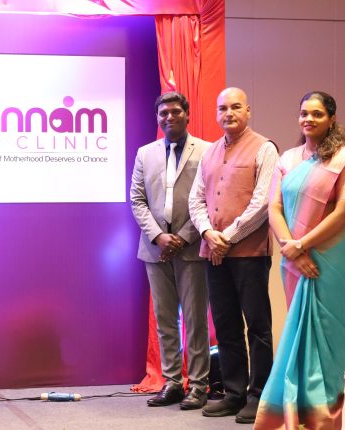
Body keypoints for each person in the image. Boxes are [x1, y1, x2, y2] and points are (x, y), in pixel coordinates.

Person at [254, 91, 345, 429]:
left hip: (331, 261)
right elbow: (274, 207)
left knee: (326, 340)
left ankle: (324, 420)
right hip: (293, 260)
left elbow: (344, 212)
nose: (309, 119)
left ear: (332, 119)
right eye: (304, 113)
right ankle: (295, 417)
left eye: (317, 114)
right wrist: (290, 247)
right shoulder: (288, 159)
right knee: (298, 334)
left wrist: (301, 244)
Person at [189, 87, 278, 424]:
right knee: (226, 326)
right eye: (222, 108)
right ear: (217, 113)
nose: (229, 113)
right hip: (214, 253)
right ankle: (234, 393)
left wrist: (225, 237)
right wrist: (207, 233)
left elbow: (263, 202)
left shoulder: (265, 148)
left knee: (257, 326)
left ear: (248, 111)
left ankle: (259, 396)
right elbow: (196, 200)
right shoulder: (209, 152)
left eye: (236, 107)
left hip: (250, 254)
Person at [131, 92, 211, 410]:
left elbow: (209, 200)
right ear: (158, 118)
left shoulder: (206, 151)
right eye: (163, 113)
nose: (169, 117)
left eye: (175, 111)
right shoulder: (145, 153)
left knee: (195, 319)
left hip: (191, 248)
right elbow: (137, 200)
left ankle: (200, 385)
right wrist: (158, 237)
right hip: (155, 250)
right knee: (165, 320)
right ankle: (173, 382)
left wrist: (182, 237)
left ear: (187, 115)